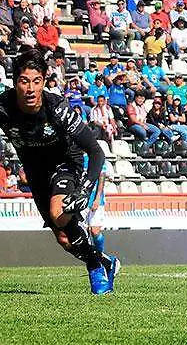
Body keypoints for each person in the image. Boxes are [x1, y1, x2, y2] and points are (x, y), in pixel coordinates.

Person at [0, 50, 119, 294]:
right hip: (36, 173)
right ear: (14, 83)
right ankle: (106, 261)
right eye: (24, 81)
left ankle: (96, 268)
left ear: (44, 81)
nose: (30, 89)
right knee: (65, 239)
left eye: (36, 81)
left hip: (65, 163)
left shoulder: (58, 109)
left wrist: (85, 189)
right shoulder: (3, 107)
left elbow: (96, 152)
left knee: (58, 212)